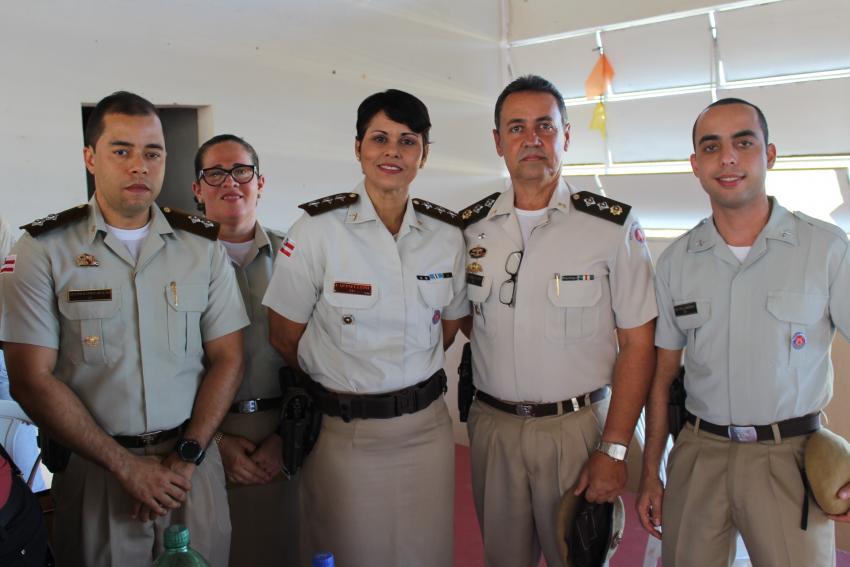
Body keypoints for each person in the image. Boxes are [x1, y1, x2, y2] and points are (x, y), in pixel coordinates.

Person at [0, 91, 248, 567]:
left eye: (152, 153)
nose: (139, 166)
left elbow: (228, 357)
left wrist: (185, 457)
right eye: (121, 150)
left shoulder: (201, 247)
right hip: (98, 474)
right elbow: (32, 378)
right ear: (90, 158)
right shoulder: (44, 250)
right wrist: (125, 467)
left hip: (191, 468)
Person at [637, 98, 850, 567]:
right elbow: (663, 375)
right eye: (711, 147)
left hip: (789, 460)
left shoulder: (826, 250)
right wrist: (651, 469)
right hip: (699, 454)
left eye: (743, 142)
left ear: (769, 155)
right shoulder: (676, 263)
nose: (728, 158)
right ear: (696, 165)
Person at [262, 89, 468, 567]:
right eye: (379, 139)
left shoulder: (446, 236)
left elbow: (451, 325)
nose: (392, 152)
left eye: (407, 140)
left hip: (426, 430)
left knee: (427, 553)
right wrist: (343, 378)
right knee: (348, 553)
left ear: (424, 154)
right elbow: (283, 335)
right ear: (358, 148)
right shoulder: (316, 231)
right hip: (344, 434)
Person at [458, 74, 656, 567]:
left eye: (545, 126)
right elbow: (469, 321)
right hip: (494, 428)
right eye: (517, 127)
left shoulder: (610, 226)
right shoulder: (469, 228)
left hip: (578, 430)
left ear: (565, 136)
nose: (531, 139)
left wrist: (612, 450)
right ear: (498, 141)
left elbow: (638, 345)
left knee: (579, 558)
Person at [191, 134, 298, 566]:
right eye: (215, 173)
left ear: (260, 182)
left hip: (287, 436)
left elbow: (317, 355)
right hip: (199, 440)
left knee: (287, 549)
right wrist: (213, 442)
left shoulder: (296, 256)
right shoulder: (178, 261)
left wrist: (285, 437)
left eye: (241, 171)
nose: (230, 182)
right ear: (198, 188)